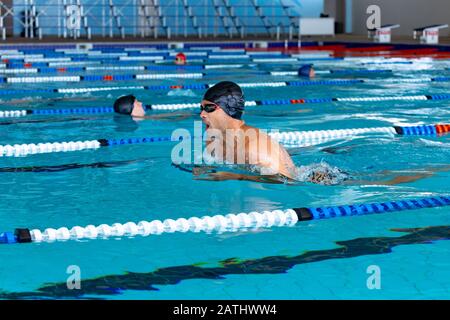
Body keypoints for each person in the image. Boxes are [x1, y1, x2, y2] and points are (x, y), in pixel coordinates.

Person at [197, 81, 297, 182]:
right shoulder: (213, 141)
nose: (202, 114)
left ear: (230, 110)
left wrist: (234, 176)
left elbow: (287, 181)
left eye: (209, 108)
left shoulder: (256, 148)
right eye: (201, 108)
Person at [113, 94, 190, 121]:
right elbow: (173, 120)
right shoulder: (145, 119)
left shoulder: (146, 118)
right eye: (137, 102)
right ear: (131, 109)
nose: (141, 103)